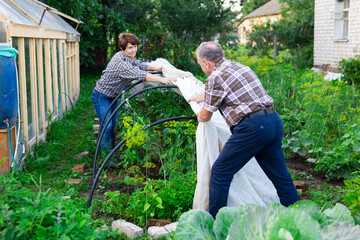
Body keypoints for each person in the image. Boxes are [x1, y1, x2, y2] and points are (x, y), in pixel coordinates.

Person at [188, 42, 299, 218]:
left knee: (220, 171)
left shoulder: (215, 77)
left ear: (206, 63)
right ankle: (300, 216)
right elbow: (221, 93)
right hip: (272, 122)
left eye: (200, 64)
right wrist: (196, 97)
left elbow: (206, 115)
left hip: (253, 128)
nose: (202, 67)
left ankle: (217, 225)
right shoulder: (240, 68)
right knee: (281, 176)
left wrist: (199, 115)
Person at [91, 33, 173, 166]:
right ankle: (106, 159)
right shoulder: (121, 63)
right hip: (102, 96)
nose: (133, 50)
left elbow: (140, 65)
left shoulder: (128, 58)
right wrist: (162, 79)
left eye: (134, 46)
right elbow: (141, 74)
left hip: (114, 95)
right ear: (122, 49)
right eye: (130, 47)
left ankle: (111, 153)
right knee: (107, 126)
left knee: (113, 124)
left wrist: (157, 68)